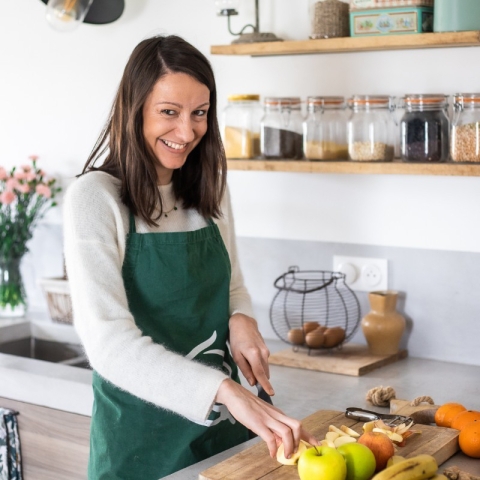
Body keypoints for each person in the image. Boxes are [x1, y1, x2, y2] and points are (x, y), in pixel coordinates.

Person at [63, 34, 317, 479]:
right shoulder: (95, 199)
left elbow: (233, 284)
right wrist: (223, 390)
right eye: (169, 112)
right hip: (142, 442)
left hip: (224, 430)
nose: (187, 133)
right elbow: (108, 344)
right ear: (134, 108)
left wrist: (241, 319)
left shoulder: (209, 183)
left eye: (199, 113)